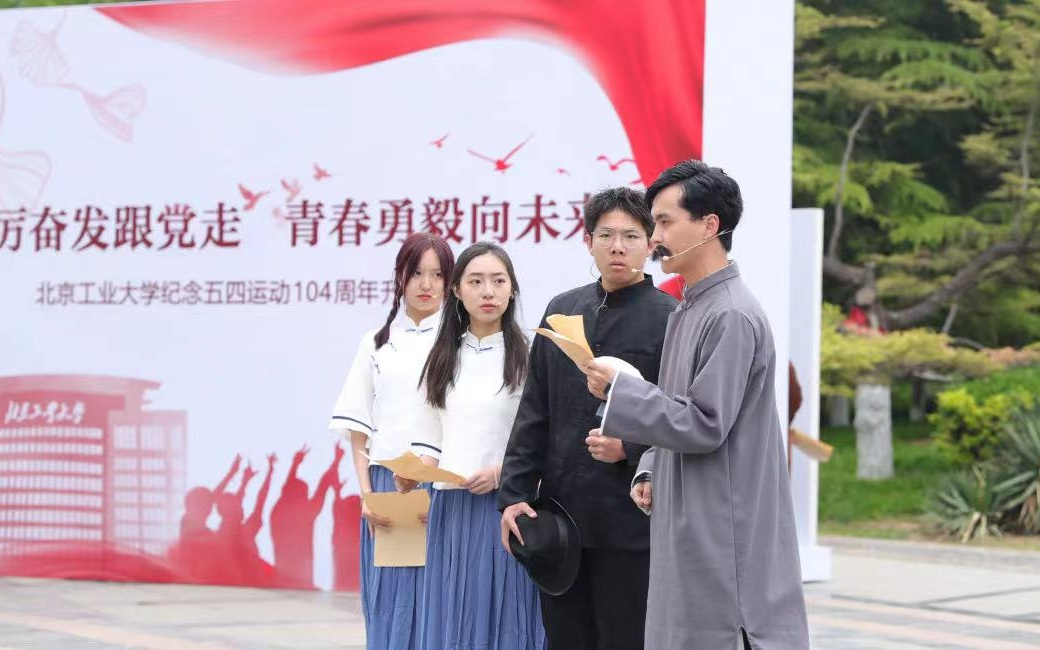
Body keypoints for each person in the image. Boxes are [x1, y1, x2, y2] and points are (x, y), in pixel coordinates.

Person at [583, 160, 810, 649]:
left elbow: (705, 422)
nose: (655, 237)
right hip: (689, 514)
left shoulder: (730, 313)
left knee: (719, 631)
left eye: (665, 222)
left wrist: (621, 390)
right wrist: (650, 467)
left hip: (722, 523)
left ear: (709, 225)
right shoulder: (692, 307)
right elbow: (678, 407)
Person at [498, 187, 676, 649]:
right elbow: (534, 409)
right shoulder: (561, 310)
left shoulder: (672, 319)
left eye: (631, 236)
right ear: (588, 241)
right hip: (560, 522)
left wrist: (630, 448)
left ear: (651, 244)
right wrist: (514, 496)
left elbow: (683, 417)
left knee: (626, 640)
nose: (618, 247)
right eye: (606, 235)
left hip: (632, 523)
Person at [398, 241, 546, 650]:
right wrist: (414, 472)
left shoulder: (531, 356)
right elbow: (430, 436)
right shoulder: (441, 357)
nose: (488, 292)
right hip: (450, 510)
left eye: (498, 281)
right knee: (452, 615)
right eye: (475, 282)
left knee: (506, 614)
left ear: (512, 289)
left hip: (508, 507)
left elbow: (544, 438)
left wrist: (501, 473)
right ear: (457, 291)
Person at [327, 232, 455, 648]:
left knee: (439, 598)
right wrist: (367, 495)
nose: (426, 284)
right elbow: (358, 427)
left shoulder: (459, 344)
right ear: (400, 276)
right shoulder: (376, 343)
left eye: (437, 274)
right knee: (391, 600)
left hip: (444, 488)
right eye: (416, 273)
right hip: (389, 489)